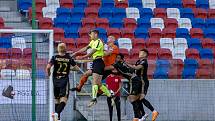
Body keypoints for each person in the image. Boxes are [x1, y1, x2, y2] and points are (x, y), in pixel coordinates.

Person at [71, 29, 112, 107]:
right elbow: (86, 48)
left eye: (91, 34)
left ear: (96, 34)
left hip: (99, 62)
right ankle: (110, 95)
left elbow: (92, 52)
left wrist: (82, 57)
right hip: (96, 62)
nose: (90, 36)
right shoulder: (93, 42)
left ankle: (94, 99)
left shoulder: (99, 42)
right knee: (99, 83)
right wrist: (76, 52)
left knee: (94, 82)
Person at [46, 43, 79, 121]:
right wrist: (69, 69)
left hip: (55, 80)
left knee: (57, 99)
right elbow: (77, 68)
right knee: (64, 99)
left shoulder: (54, 57)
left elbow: (48, 67)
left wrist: (49, 73)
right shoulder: (69, 58)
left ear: (58, 49)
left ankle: (57, 118)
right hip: (64, 80)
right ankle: (56, 113)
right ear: (65, 49)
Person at [126, 49, 159, 121]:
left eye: (141, 53)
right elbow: (134, 69)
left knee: (141, 98)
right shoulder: (138, 61)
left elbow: (136, 67)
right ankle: (143, 115)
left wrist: (127, 64)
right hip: (138, 82)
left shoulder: (144, 62)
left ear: (145, 54)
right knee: (137, 99)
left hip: (143, 82)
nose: (139, 53)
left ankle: (154, 112)